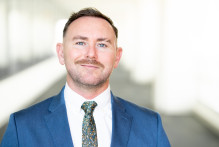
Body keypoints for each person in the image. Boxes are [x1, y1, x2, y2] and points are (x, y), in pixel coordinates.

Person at [0, 8, 171, 147]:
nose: (91, 54)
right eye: (80, 43)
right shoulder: (21, 126)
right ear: (61, 53)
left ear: (117, 57)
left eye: (102, 44)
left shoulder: (150, 125)